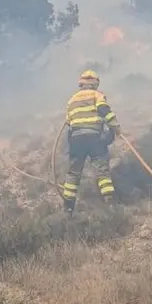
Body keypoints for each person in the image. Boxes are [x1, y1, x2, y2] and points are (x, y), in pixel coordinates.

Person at [60, 70, 120, 212]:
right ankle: (110, 203)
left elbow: (69, 122)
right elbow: (105, 111)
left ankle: (68, 208)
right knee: (102, 171)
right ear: (95, 83)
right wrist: (116, 128)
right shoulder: (97, 95)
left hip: (76, 140)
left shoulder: (72, 100)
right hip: (95, 139)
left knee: (73, 174)